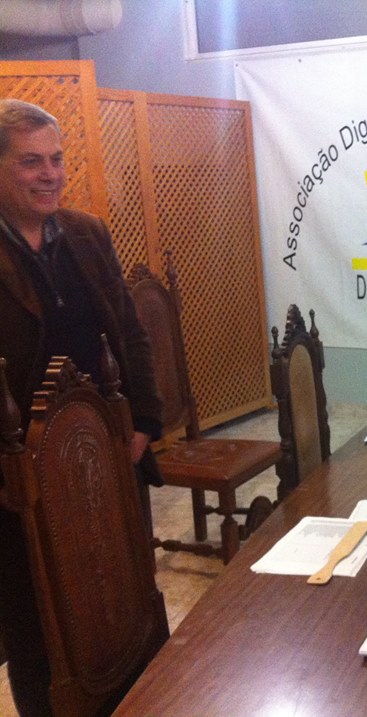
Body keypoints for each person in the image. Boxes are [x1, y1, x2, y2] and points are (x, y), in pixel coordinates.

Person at [0, 99, 163, 717]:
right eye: (30, 162)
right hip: (22, 484)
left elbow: (130, 334)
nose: (50, 174)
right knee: (40, 629)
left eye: (57, 159)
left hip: (107, 456)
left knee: (122, 598)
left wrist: (144, 423)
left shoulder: (88, 233)